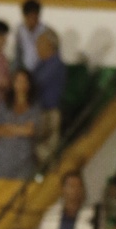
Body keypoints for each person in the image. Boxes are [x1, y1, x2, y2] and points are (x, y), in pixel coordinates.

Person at [0, 68, 41, 181]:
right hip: (2, 160)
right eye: (18, 81)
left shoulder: (34, 108)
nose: (21, 85)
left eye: (24, 81)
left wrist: (7, 128)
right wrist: (20, 129)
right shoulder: (3, 106)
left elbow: (30, 131)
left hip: (24, 161)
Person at [31, 29, 67, 161]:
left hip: (49, 113)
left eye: (40, 43)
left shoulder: (55, 65)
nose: (36, 48)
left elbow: (36, 83)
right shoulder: (41, 64)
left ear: (50, 45)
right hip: (40, 111)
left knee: (45, 151)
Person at [13, 0, 47, 72]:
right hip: (25, 69)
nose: (32, 21)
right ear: (24, 17)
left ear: (38, 16)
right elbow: (18, 53)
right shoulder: (20, 31)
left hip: (41, 68)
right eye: (29, 18)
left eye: (34, 18)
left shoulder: (44, 31)